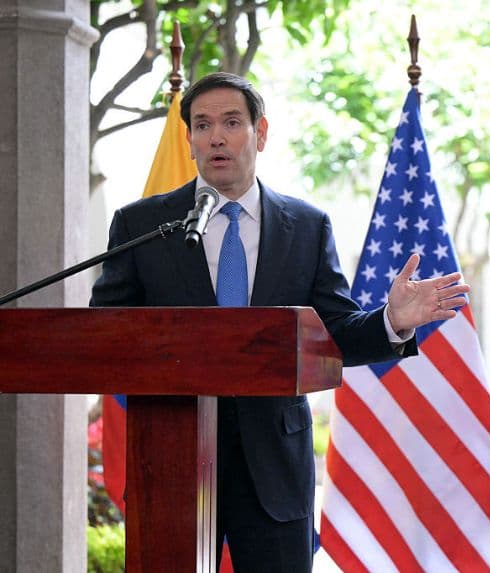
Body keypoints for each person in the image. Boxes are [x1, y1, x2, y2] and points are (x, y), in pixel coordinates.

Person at [90, 72, 469, 572]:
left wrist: (390, 321)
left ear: (260, 133)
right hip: (171, 454)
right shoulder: (142, 225)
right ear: (190, 141)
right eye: (202, 126)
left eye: (231, 122)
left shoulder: (306, 228)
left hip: (273, 461)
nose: (216, 137)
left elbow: (332, 335)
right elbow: (104, 336)